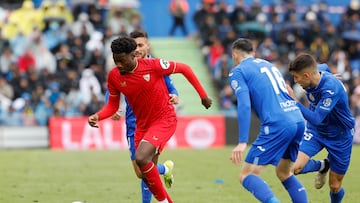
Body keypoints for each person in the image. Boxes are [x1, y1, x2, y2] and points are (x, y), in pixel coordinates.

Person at [88, 36, 212, 203]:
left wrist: (203, 96)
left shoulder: (153, 66)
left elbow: (185, 68)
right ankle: (166, 181)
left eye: (122, 60)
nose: (118, 65)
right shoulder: (114, 76)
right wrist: (98, 116)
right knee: (144, 172)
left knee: (141, 159)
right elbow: (112, 105)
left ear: (133, 55)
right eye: (115, 60)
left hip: (164, 119)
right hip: (141, 125)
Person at [228, 38, 308, 203]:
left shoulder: (238, 71)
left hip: (278, 123)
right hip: (297, 118)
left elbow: (243, 104)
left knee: (247, 175)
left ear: (235, 54)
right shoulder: (269, 65)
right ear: (253, 52)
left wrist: (242, 141)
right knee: (284, 173)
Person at [108, 30, 180, 203]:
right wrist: (113, 109)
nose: (138, 49)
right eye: (135, 46)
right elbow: (112, 90)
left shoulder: (156, 66)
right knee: (141, 172)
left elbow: (170, 86)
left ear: (147, 46)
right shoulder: (123, 68)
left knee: (146, 168)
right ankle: (165, 169)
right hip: (133, 125)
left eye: (141, 45)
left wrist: (175, 95)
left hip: (154, 122)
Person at [287, 53, 354, 203]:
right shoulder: (318, 71)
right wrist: (331, 74)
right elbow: (323, 67)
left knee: (335, 186)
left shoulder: (330, 89)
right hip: (316, 132)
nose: (295, 81)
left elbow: (317, 118)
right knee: (293, 168)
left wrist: (295, 102)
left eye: (297, 77)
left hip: (340, 136)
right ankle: (324, 165)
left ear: (306, 76)